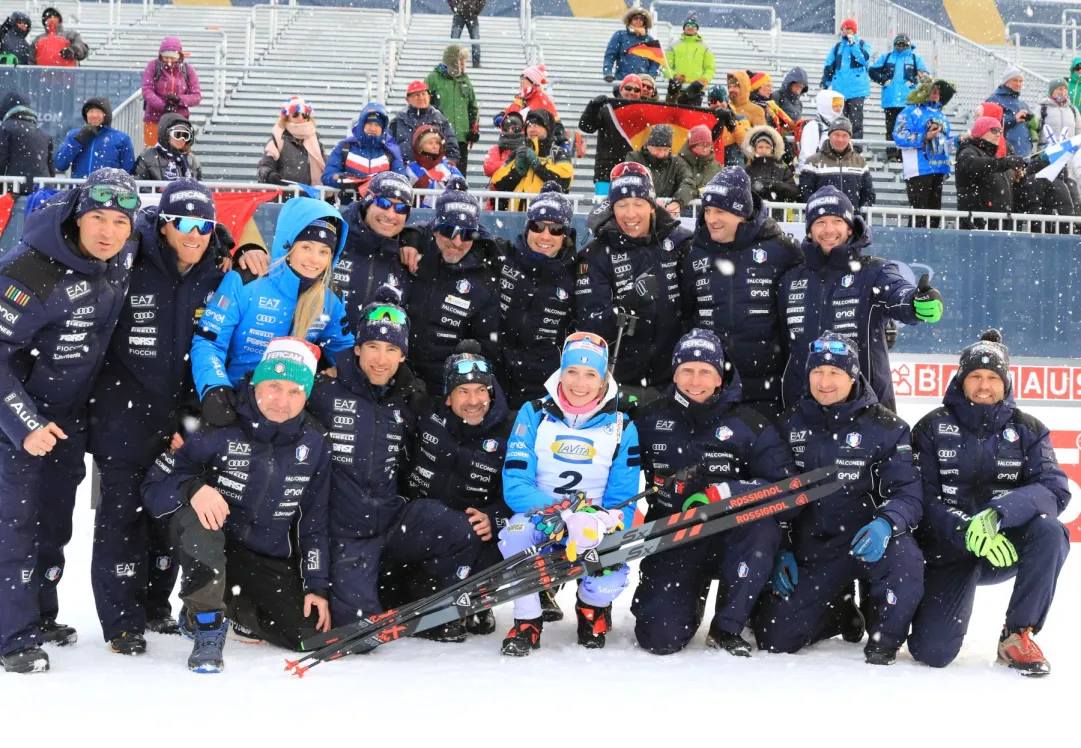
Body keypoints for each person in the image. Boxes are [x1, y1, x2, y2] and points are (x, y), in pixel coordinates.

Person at [87, 178, 266, 656]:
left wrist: (242, 242)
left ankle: (154, 607)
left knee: (167, 514)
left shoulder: (217, 274)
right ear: (163, 224)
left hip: (183, 420)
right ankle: (122, 622)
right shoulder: (129, 260)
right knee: (120, 519)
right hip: (123, 416)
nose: (194, 233)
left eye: (205, 224)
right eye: (182, 222)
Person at [0, 169, 140, 673]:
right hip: (16, 418)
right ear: (77, 216)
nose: (108, 231)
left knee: (54, 524)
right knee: (13, 526)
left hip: (67, 418)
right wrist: (24, 424)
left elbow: (172, 233)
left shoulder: (121, 251)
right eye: (97, 218)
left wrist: (232, 246)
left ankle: (38, 615)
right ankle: (11, 636)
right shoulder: (29, 270)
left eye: (120, 221)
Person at [141, 337, 332, 672]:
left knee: (307, 638)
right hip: (213, 538)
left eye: (294, 391)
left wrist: (316, 585)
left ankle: (233, 605)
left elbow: (313, 521)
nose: (281, 401)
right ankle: (206, 624)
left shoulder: (314, 441)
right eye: (274, 385)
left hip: (263, 554)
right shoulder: (218, 423)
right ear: (257, 381)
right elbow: (154, 487)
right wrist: (192, 488)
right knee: (203, 526)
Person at [307, 295, 480, 638]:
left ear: (402, 355)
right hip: (346, 535)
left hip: (392, 520)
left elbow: (467, 423)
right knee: (362, 634)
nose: (380, 359)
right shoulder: (323, 389)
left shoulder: (408, 399)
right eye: (372, 345)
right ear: (357, 348)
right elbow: (265, 398)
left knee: (463, 529)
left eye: (390, 349)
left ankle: (422, 604)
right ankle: (371, 595)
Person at [753, 332, 925, 666]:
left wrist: (887, 523)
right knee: (774, 637)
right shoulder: (788, 424)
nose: (825, 381)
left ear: (853, 375)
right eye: (818, 371)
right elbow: (773, 494)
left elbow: (909, 493)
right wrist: (781, 547)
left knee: (905, 556)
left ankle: (883, 640)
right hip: (815, 548)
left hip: (868, 539)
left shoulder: (888, 427)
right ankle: (837, 612)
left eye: (835, 372)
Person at [908, 330, 1071, 676]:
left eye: (993, 377)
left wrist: (999, 513)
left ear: (1006, 382)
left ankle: (1017, 636)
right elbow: (920, 495)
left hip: (1003, 545)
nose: (984, 385)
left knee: (1049, 532)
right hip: (949, 548)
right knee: (932, 652)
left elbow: (1054, 488)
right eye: (976, 376)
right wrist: (964, 528)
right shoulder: (931, 427)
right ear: (962, 381)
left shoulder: (1029, 429)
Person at [632, 329, 795, 655]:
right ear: (674, 373)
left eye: (705, 370)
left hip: (731, 537)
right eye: (687, 370)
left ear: (720, 377)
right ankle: (688, 600)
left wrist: (725, 493)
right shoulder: (648, 418)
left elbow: (786, 490)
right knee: (658, 639)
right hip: (673, 535)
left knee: (762, 525)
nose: (696, 379)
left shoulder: (749, 423)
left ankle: (728, 625)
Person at [498, 332, 640, 655]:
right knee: (514, 537)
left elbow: (624, 502)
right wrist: (558, 512)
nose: (580, 383)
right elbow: (516, 484)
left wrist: (599, 522)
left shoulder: (621, 427)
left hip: (592, 526)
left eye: (591, 374)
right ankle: (527, 621)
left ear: (604, 379)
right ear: (560, 372)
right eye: (572, 371)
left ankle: (590, 607)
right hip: (543, 520)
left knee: (610, 576)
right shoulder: (533, 413)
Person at [190, 197, 354, 427]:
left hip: (288, 413)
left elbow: (345, 350)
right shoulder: (246, 280)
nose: (314, 260)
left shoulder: (328, 300)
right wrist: (215, 386)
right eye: (306, 247)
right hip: (236, 406)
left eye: (324, 251)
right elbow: (208, 342)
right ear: (288, 245)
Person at [780, 186, 943, 411]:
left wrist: (916, 302)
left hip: (866, 410)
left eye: (837, 221)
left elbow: (898, 294)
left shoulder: (874, 271)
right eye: (820, 222)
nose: (828, 230)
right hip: (802, 411)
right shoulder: (791, 278)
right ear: (809, 231)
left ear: (849, 228)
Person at [402, 340, 512, 635]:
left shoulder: (510, 433)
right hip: (419, 522)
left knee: (505, 541)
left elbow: (522, 489)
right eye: (463, 391)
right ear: (448, 397)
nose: (473, 400)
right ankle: (432, 602)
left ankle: (474, 600)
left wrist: (496, 515)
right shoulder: (426, 412)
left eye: (480, 390)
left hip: (474, 534)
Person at [680, 168, 802, 417]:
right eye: (708, 210)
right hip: (710, 389)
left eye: (721, 211)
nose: (712, 219)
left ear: (743, 213)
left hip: (768, 391)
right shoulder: (694, 253)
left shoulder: (783, 250)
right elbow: (684, 315)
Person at [576, 163, 691, 395]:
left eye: (638, 204)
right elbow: (590, 325)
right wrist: (628, 304)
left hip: (676, 380)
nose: (630, 214)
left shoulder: (680, 243)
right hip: (619, 381)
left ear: (651, 206)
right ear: (611, 208)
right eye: (622, 205)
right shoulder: (595, 255)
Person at [400, 178, 500, 394]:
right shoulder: (410, 254)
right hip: (393, 376)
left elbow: (487, 345)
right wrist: (409, 238)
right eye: (448, 231)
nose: (456, 242)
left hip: (443, 388)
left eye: (466, 234)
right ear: (435, 229)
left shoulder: (484, 279)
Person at [493, 182, 577, 409]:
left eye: (556, 229)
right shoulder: (501, 255)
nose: (545, 235)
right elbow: (454, 236)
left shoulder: (577, 274)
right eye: (538, 226)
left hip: (543, 386)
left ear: (565, 234)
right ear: (527, 228)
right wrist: (411, 238)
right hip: (494, 380)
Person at [335, 171, 414, 332]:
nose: (390, 214)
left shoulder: (406, 255)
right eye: (383, 203)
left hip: (376, 354)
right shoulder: (335, 236)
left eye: (401, 208)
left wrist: (415, 237)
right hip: (322, 352)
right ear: (368, 202)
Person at [893, 78, 955, 227]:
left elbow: (944, 141)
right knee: (919, 216)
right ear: (922, 92)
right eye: (932, 90)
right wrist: (924, 136)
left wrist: (960, 140)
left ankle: (929, 249)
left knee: (934, 217)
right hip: (918, 170)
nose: (935, 93)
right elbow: (899, 135)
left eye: (938, 90)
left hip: (939, 167)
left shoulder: (941, 115)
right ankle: (914, 249)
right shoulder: (910, 111)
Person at [488, 108, 573, 209]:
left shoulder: (558, 152)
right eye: (530, 125)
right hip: (515, 217)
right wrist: (516, 171)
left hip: (547, 218)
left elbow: (565, 180)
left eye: (538, 125)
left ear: (548, 129)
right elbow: (497, 183)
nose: (533, 128)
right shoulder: (518, 153)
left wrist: (538, 165)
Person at [955, 117, 1027, 231]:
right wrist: (1006, 162)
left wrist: (1018, 177)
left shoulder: (993, 158)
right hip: (978, 223)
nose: (998, 134)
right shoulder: (968, 150)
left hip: (996, 223)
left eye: (1000, 131)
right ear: (980, 131)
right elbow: (973, 164)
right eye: (994, 130)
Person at [578, 74, 643, 196]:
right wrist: (593, 106)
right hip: (606, 172)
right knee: (604, 211)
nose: (632, 92)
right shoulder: (607, 109)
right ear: (621, 89)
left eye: (637, 89)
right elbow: (586, 127)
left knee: (630, 212)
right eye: (628, 88)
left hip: (634, 171)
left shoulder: (643, 113)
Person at [321, 103, 406, 193]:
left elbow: (403, 180)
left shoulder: (391, 151)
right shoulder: (345, 147)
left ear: (383, 128)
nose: (373, 128)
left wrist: (382, 183)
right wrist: (347, 180)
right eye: (369, 123)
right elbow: (327, 176)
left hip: (380, 205)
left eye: (377, 125)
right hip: (348, 204)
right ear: (362, 125)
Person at [869, 35, 929, 162]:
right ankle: (891, 153)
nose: (901, 46)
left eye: (904, 44)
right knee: (890, 128)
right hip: (890, 99)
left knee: (906, 128)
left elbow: (925, 76)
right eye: (899, 44)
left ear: (909, 44)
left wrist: (914, 80)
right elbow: (872, 71)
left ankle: (903, 154)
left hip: (908, 101)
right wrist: (884, 80)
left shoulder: (915, 59)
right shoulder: (887, 57)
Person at [798, 117, 875, 212]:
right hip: (823, 220)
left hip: (851, 221)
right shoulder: (813, 161)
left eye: (845, 135)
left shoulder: (860, 162)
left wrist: (861, 213)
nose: (840, 139)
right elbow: (805, 192)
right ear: (829, 136)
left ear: (850, 138)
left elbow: (868, 192)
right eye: (836, 135)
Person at [426, 45, 480, 175]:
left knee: (459, 177)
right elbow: (423, 105)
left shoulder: (465, 80)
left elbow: (473, 107)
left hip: (461, 138)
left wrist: (474, 128)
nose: (463, 63)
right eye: (460, 59)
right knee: (439, 177)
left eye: (464, 60)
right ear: (452, 60)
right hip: (438, 139)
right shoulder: (433, 78)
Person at [140, 36, 201, 149]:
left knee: (179, 154)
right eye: (165, 57)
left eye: (172, 58)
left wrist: (179, 100)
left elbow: (196, 96)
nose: (168, 61)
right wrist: (163, 106)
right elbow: (147, 90)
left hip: (179, 122)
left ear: (179, 57)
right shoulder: (153, 67)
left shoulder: (188, 70)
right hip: (154, 120)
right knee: (153, 154)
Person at [54, 98, 136, 178]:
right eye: (90, 111)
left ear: (106, 115)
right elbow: (60, 165)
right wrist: (78, 140)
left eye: (99, 111)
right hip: (80, 190)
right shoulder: (74, 135)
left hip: (108, 190)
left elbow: (128, 173)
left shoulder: (122, 139)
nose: (94, 115)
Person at [625, 125, 696, 217]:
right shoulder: (634, 158)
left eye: (665, 150)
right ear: (649, 145)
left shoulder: (677, 163)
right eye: (658, 149)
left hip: (667, 215)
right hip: (638, 212)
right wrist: (650, 200)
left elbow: (688, 183)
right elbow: (630, 181)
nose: (661, 154)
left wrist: (677, 202)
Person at [389, 81, 461, 168]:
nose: (421, 97)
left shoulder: (440, 120)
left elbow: (452, 149)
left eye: (423, 94)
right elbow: (389, 148)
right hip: (404, 172)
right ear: (408, 99)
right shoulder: (397, 122)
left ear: (429, 97)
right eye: (417, 95)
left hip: (435, 174)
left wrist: (446, 166)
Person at [258, 96, 326, 187]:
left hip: (312, 196)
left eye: (304, 114)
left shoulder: (316, 141)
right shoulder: (278, 140)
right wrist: (271, 175)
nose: (301, 118)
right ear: (286, 118)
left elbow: (326, 169)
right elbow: (264, 166)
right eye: (295, 114)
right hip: (286, 197)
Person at [821, 18, 871, 141]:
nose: (845, 31)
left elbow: (863, 59)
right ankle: (841, 146)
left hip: (857, 91)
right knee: (840, 121)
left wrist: (853, 44)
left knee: (856, 121)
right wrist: (825, 82)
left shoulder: (863, 44)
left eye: (848, 28)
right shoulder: (837, 47)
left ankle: (856, 149)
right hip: (839, 90)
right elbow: (829, 65)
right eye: (843, 29)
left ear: (853, 30)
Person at [0, 93, 54, 186]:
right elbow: (51, 170)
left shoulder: (5, 128)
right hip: (41, 192)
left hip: (14, 191)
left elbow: (1, 160)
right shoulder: (44, 134)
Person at [132, 113, 203, 182]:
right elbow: (139, 184)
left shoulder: (193, 161)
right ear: (166, 135)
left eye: (186, 136)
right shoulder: (148, 156)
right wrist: (157, 191)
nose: (182, 139)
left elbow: (199, 187)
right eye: (177, 134)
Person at [663, 11, 714, 103]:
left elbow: (710, 68)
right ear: (684, 27)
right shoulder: (673, 44)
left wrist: (703, 80)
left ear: (697, 28)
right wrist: (675, 76)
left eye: (693, 24)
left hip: (696, 91)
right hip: (677, 89)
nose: (690, 27)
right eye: (688, 24)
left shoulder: (705, 46)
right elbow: (666, 66)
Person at [405, 125, 464, 207]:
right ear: (420, 146)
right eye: (430, 143)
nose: (435, 146)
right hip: (419, 213)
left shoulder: (448, 167)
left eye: (437, 143)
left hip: (445, 212)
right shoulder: (412, 169)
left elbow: (462, 186)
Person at [986, 67, 1038, 158]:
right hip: (1005, 156)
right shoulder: (993, 100)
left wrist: (1034, 123)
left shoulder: (1023, 105)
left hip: (1025, 154)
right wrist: (1013, 119)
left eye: (1021, 81)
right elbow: (987, 126)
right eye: (1015, 80)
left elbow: (1034, 127)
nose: (1018, 84)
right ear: (1006, 81)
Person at [742, 125, 798, 204]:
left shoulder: (783, 170)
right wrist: (755, 188)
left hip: (776, 214)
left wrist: (775, 185)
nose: (764, 150)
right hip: (753, 214)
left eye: (767, 147)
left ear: (772, 150)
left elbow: (793, 193)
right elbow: (740, 193)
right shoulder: (746, 170)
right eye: (760, 147)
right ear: (754, 149)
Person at [603, 7, 660, 83]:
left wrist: (650, 78)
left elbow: (655, 63)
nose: (638, 21)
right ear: (630, 20)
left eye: (641, 19)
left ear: (645, 22)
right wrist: (607, 73)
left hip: (642, 85)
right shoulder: (620, 35)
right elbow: (610, 55)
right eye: (636, 18)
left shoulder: (650, 40)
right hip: (623, 82)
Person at [498, 65, 560, 130]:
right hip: (513, 137)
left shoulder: (541, 98)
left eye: (524, 78)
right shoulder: (521, 97)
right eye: (520, 78)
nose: (521, 81)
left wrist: (558, 133)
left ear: (532, 81)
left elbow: (554, 120)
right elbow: (511, 110)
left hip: (532, 138)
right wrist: (502, 115)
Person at [797, 88, 845, 166]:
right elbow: (806, 156)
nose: (839, 109)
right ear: (826, 105)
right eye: (835, 105)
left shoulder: (842, 126)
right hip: (819, 173)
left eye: (840, 106)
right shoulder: (813, 127)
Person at [706, 85, 750, 166]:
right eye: (713, 101)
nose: (718, 104)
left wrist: (731, 124)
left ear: (726, 100)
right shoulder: (704, 122)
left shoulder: (740, 119)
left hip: (734, 170)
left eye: (721, 99)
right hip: (712, 170)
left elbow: (748, 143)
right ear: (709, 104)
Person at [676, 124, 721, 196]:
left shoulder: (717, 167)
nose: (705, 149)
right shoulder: (677, 162)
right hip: (679, 205)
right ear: (692, 146)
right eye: (701, 145)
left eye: (708, 145)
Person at [483, 111, 526, 185]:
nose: (510, 131)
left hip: (520, 192)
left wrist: (504, 165)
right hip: (498, 192)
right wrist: (513, 163)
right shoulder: (497, 149)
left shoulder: (528, 147)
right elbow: (488, 168)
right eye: (507, 127)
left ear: (521, 128)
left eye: (515, 128)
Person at [447, 0, 484, 68]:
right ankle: (475, 62)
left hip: (467, 14)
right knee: (474, 39)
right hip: (464, 14)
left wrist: (456, 9)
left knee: (456, 39)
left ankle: (475, 62)